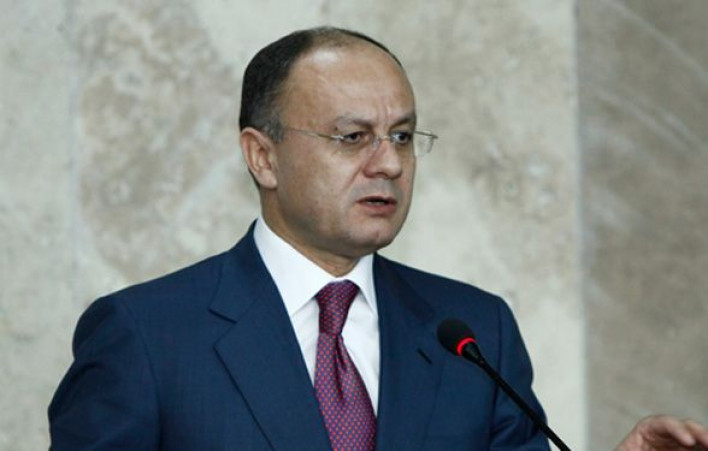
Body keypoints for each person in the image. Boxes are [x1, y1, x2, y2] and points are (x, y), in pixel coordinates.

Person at [49, 26, 704, 450]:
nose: (388, 162)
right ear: (263, 157)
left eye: (402, 136)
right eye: (352, 136)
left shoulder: (473, 331)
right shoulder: (147, 336)